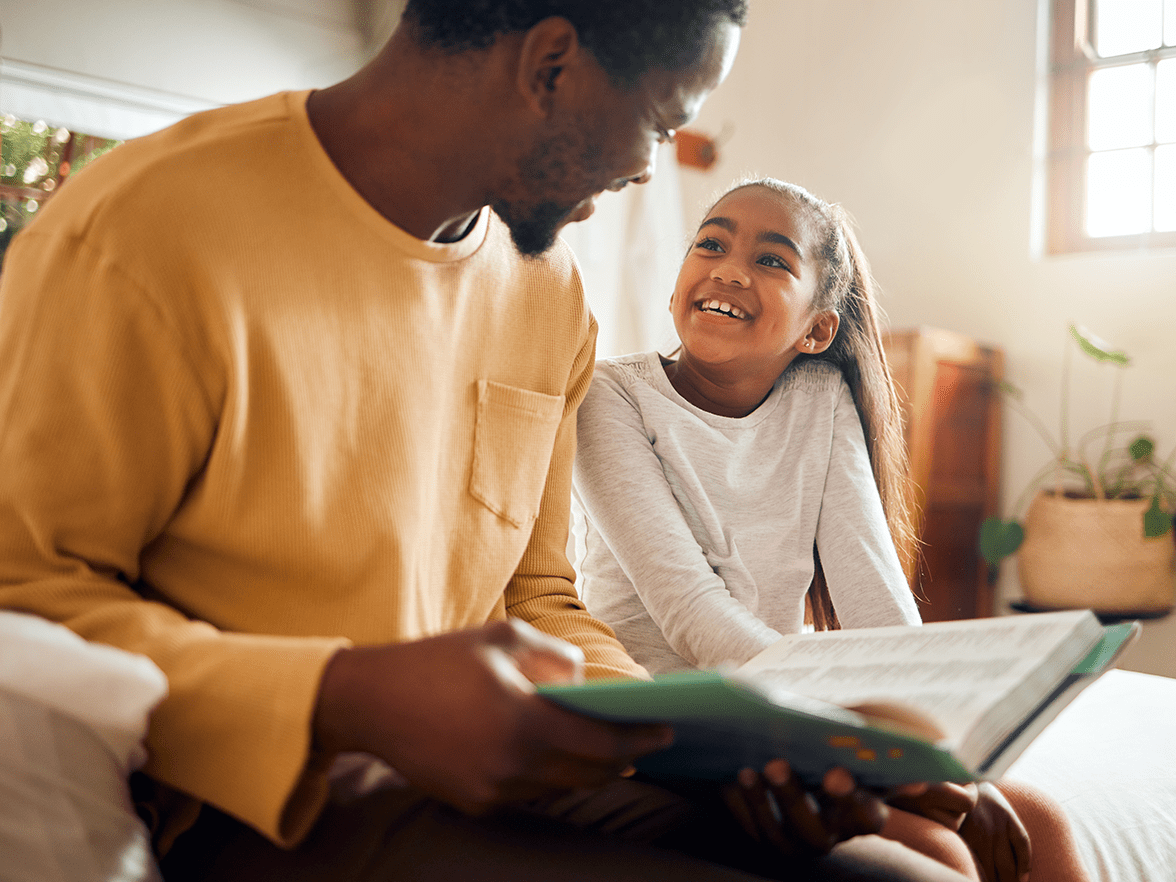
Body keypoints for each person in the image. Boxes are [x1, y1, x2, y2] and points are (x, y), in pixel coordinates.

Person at [0, 3, 979, 880]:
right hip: (254, 809)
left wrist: (695, 749)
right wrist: (342, 696)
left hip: (506, 776)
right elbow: (26, 602)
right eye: (657, 120)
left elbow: (538, 596)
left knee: (918, 871)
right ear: (551, 67)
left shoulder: (546, 291)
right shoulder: (146, 232)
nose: (649, 166)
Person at [572, 177, 1094, 882]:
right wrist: (843, 724)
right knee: (940, 851)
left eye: (771, 260)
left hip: (789, 708)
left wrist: (942, 745)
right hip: (676, 722)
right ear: (675, 289)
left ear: (817, 330)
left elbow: (876, 597)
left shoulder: (820, 398)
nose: (729, 270)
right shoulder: (610, 395)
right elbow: (691, 613)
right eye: (711, 245)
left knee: (1041, 824)